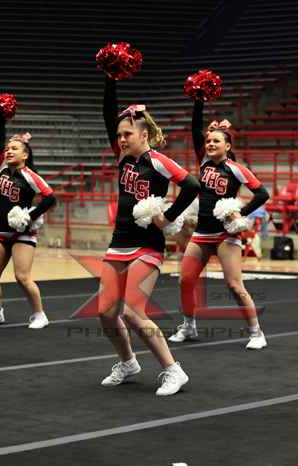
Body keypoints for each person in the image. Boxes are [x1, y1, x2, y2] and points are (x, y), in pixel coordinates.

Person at [99, 75, 200, 396]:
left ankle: (174, 370)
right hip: (119, 242)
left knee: (132, 311)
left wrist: (168, 217)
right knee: (106, 313)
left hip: (147, 245)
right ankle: (128, 363)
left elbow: (192, 185)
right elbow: (108, 114)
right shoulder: (122, 158)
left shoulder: (158, 161)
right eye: (119, 135)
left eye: (127, 134)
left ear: (144, 135)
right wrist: (110, 79)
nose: (121, 139)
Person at [169, 98, 270, 349]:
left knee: (234, 285)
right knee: (185, 280)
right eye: (208, 141)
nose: (211, 144)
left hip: (226, 234)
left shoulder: (236, 169)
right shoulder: (204, 162)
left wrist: (239, 213)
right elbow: (195, 129)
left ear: (227, 145)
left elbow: (262, 194)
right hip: (202, 233)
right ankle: (189, 326)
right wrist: (198, 100)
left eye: (216, 141)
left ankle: (257, 333)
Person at [0, 114, 57, 329]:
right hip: (1, 233)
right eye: (8, 149)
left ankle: (40, 315)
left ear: (25, 154)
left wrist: (30, 216)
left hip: (23, 234)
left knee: (22, 277)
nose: (9, 151)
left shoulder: (30, 176)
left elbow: (51, 198)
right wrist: (0, 119)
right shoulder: (2, 168)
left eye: (14, 149)